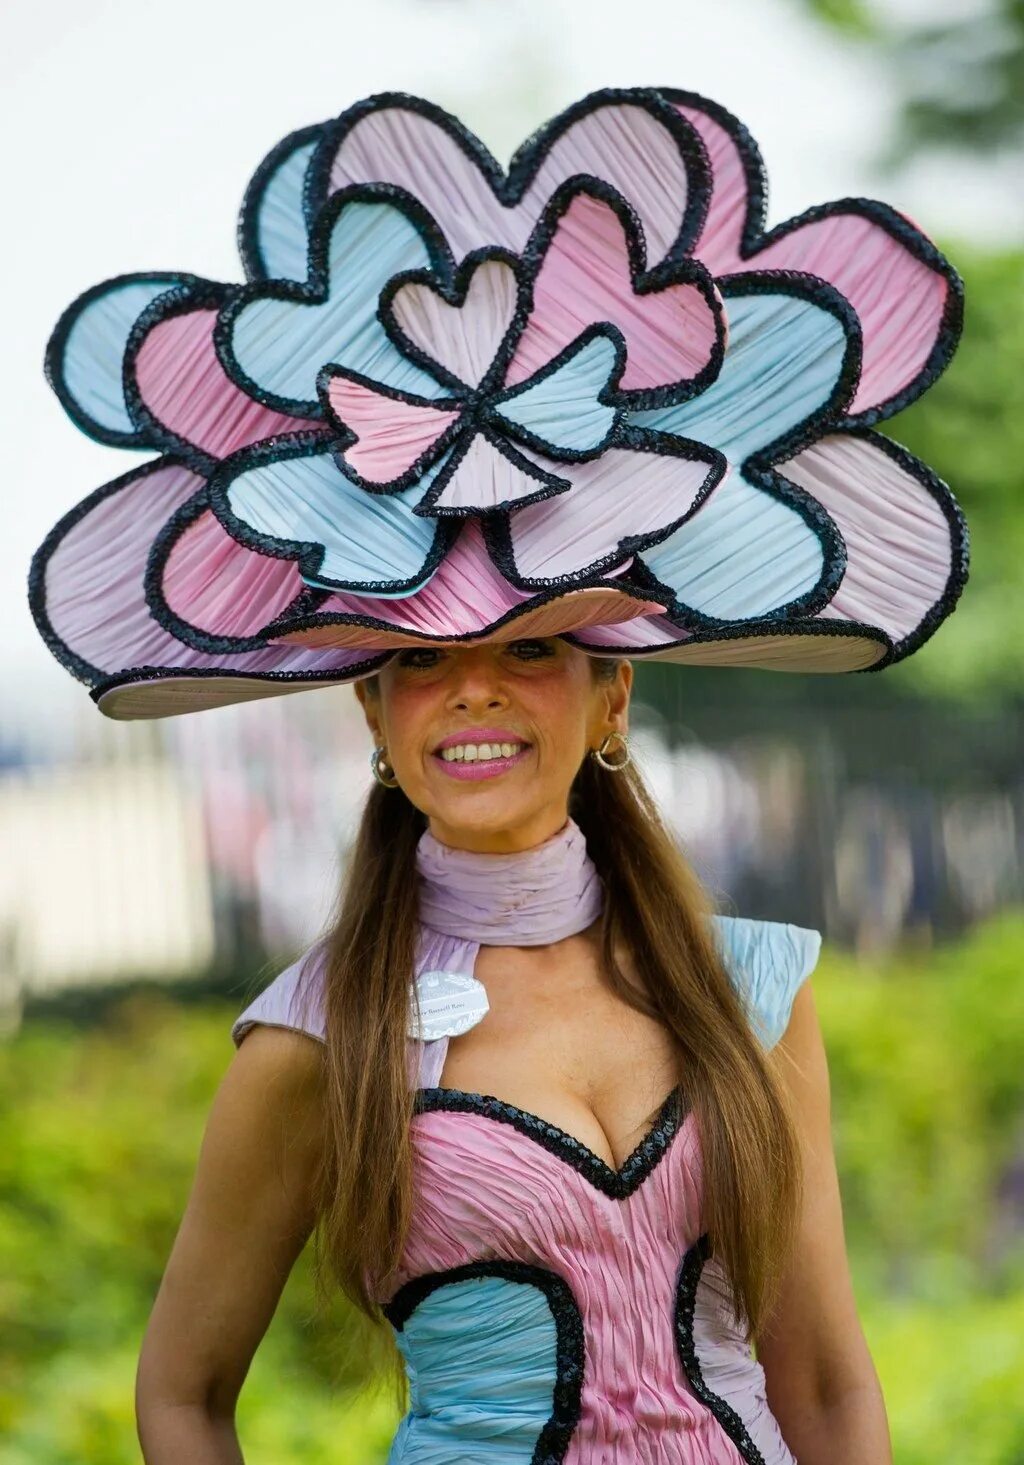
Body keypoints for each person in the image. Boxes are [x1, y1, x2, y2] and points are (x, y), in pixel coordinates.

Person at [30, 88, 966, 1462]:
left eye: (529, 646)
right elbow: (181, 1391)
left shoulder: (754, 988)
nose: (471, 685)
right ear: (373, 710)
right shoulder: (314, 1038)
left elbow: (825, 1381)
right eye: (417, 658)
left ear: (609, 693)